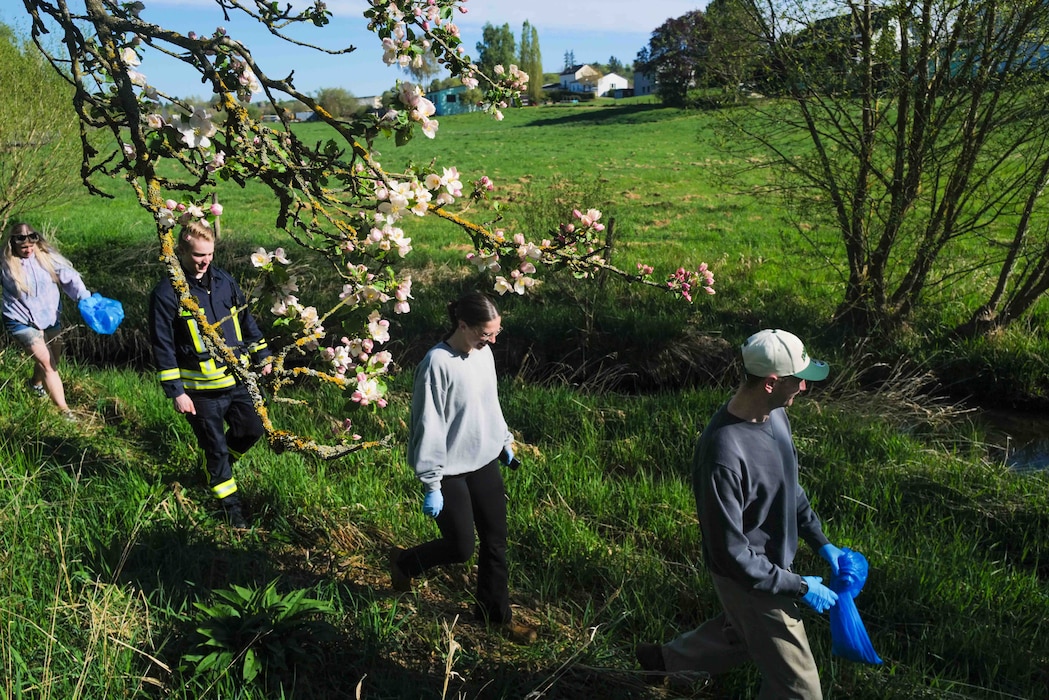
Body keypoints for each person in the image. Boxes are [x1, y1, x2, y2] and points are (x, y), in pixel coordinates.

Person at [636, 329, 845, 698]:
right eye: (798, 381)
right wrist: (799, 586)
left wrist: (821, 541)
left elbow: (788, 488)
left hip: (771, 567)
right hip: (749, 578)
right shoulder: (722, 455)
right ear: (771, 383)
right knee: (800, 690)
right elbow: (732, 554)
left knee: (744, 635)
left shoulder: (776, 417)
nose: (804, 389)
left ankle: (662, 661)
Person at [389, 291, 537, 644]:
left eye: (496, 333)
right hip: (449, 469)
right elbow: (428, 424)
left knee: (496, 542)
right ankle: (404, 564)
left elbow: (490, 403)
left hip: (483, 460)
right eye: (486, 333)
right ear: (462, 325)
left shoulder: (483, 355)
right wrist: (431, 483)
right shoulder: (436, 364)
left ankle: (495, 616)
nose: (493, 341)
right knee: (460, 547)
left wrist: (503, 441)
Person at [148, 221, 272, 528]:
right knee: (214, 448)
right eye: (198, 255)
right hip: (199, 392)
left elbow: (245, 320)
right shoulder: (167, 293)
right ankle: (232, 511)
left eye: (210, 254)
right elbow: (161, 344)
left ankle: (217, 467)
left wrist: (262, 353)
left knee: (253, 429)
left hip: (238, 381)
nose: (205, 261)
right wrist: (175, 391)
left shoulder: (225, 282)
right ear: (181, 251)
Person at [1, 222, 92, 421]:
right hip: (20, 320)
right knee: (48, 364)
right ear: (13, 244)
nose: (28, 249)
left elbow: (71, 279)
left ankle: (35, 385)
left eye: (31, 244)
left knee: (53, 359)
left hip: (49, 317)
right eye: (22, 246)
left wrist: (84, 298)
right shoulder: (5, 263)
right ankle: (65, 412)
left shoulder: (46, 258)